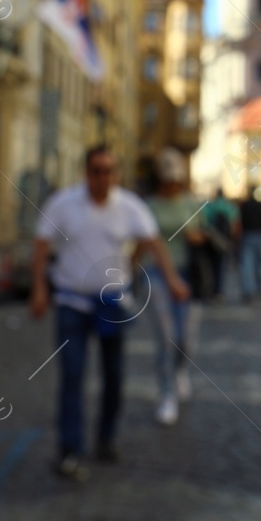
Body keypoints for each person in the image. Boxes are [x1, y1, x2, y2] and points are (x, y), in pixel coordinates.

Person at [30, 146, 188, 481]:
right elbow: (41, 243)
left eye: (108, 171)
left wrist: (172, 280)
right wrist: (39, 289)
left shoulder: (129, 206)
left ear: (116, 174)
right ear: (86, 172)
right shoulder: (64, 204)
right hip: (72, 301)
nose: (102, 178)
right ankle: (70, 449)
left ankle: (106, 437)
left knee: (114, 376)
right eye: (96, 171)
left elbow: (154, 241)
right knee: (72, 375)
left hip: (111, 304)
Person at [143, 149, 207, 426]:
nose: (171, 185)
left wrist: (196, 236)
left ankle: (180, 371)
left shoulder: (190, 204)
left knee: (186, 338)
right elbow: (143, 240)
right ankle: (167, 394)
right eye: (167, 180)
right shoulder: (149, 206)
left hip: (187, 274)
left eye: (175, 181)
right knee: (166, 336)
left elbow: (202, 234)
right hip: (156, 274)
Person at [200, 188, 237, 301]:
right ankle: (218, 291)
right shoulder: (228, 206)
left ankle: (209, 290)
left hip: (209, 240)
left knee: (209, 266)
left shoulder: (209, 206)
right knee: (220, 266)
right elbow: (233, 225)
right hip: (222, 240)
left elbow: (202, 222)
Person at [238, 189, 261, 301]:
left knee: (247, 264)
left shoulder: (244, 205)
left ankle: (248, 290)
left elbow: (238, 221)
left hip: (248, 235)